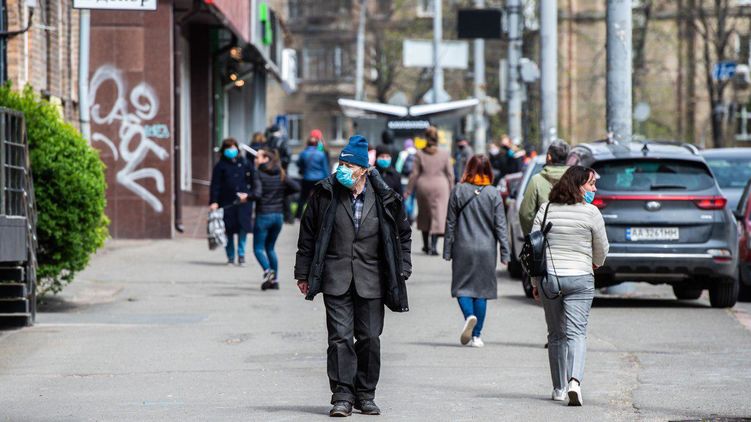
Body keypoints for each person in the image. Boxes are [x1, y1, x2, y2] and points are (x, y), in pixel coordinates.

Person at [294, 135, 412, 417]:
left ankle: (366, 394)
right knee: (339, 338)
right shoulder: (325, 193)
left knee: (370, 338)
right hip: (336, 276)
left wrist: (403, 267)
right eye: (341, 163)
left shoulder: (384, 197)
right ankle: (342, 395)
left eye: (348, 164)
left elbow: (402, 234)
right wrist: (303, 272)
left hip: (373, 278)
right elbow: (308, 235)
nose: (342, 169)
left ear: (363, 169)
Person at [531, 165, 609, 406]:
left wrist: (536, 283)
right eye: (591, 184)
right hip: (580, 278)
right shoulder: (591, 212)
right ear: (577, 186)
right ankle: (575, 381)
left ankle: (559, 388)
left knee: (555, 334)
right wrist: (594, 263)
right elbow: (602, 249)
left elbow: (534, 249)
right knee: (576, 333)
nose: (594, 189)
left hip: (551, 279)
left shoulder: (546, 210)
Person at [444, 155, 510, 348]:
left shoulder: (458, 191)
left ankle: (469, 316)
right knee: (482, 292)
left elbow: (450, 223)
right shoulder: (493, 193)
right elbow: (501, 226)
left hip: (463, 247)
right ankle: (477, 336)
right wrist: (505, 253)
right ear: (489, 171)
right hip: (486, 249)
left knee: (461, 288)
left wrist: (447, 250)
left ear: (468, 169)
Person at [252, 147, 300, 290]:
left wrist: (246, 197)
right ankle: (275, 281)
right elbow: (296, 187)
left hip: (264, 215)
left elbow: (258, 194)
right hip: (278, 216)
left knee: (258, 248)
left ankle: (268, 272)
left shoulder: (259, 173)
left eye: (258, 157)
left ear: (266, 159)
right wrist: (281, 194)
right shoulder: (280, 172)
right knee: (270, 248)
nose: (255, 159)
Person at [405, 126, 454, 255]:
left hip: (423, 186)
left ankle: (426, 246)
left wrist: (409, 190)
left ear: (425, 138)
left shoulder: (419, 153)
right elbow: (450, 174)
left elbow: (414, 174)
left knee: (424, 215)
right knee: (438, 216)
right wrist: (452, 189)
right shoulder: (444, 153)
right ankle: (433, 246)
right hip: (440, 186)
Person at [209, 138, 255, 266]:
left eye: (233, 148)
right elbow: (215, 185)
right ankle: (230, 256)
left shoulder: (245, 163)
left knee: (242, 229)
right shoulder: (220, 166)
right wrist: (214, 201)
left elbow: (254, 181)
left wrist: (250, 195)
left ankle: (241, 255)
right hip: (227, 203)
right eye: (228, 148)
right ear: (223, 150)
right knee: (228, 230)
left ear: (237, 149)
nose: (231, 150)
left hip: (244, 202)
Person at [519, 139, 570, 236]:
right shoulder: (575, 179)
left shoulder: (536, 180)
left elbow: (526, 214)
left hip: (546, 240)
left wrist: (534, 236)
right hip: (572, 239)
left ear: (549, 157)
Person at [297, 134, 330, 218]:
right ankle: (320, 214)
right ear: (316, 144)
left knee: (303, 198)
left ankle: (298, 215)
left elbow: (299, 164)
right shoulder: (321, 154)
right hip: (319, 178)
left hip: (307, 178)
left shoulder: (303, 153)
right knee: (320, 198)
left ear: (307, 144)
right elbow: (325, 168)